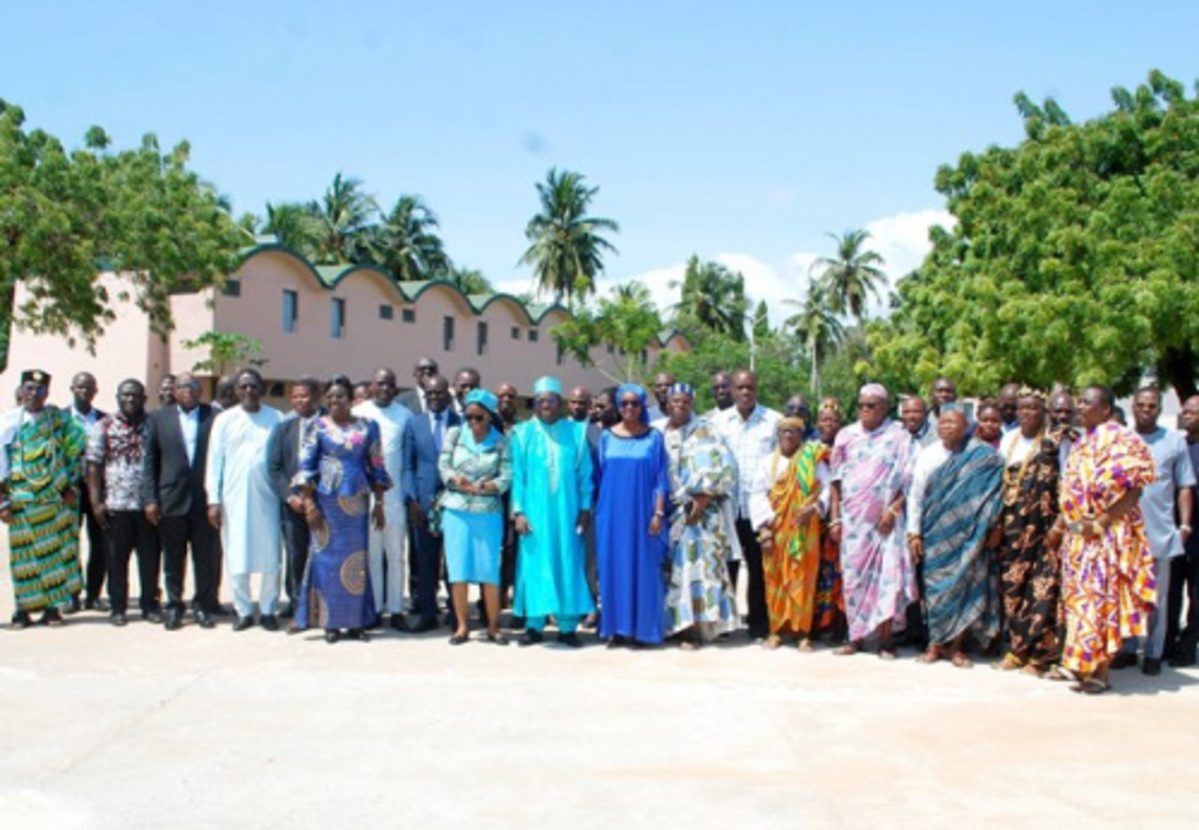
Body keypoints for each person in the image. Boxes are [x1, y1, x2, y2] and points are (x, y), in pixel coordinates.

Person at [1047, 385, 1156, 694]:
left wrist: (1103, 521)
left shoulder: (1122, 440)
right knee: (1080, 603)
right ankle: (1082, 664)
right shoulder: (1082, 442)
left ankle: (1102, 671)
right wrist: (1062, 526)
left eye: (1086, 402)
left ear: (1106, 409)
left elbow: (1135, 488)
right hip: (1080, 537)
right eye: (1079, 402)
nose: (1079, 407)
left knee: (1103, 601)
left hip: (1108, 535)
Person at [292, 376, 390, 644]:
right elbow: (306, 467)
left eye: (340, 396)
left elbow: (377, 466)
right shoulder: (317, 426)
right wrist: (309, 504)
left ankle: (356, 622)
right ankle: (331, 623)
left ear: (351, 400)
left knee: (356, 563)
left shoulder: (369, 426)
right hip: (326, 502)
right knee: (327, 562)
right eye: (330, 397)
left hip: (356, 503)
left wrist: (379, 504)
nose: (335, 401)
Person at [907, 408, 1004, 668]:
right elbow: (916, 496)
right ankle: (935, 644)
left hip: (970, 538)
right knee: (935, 591)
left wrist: (993, 528)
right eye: (942, 422)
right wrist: (913, 531)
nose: (946, 426)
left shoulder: (984, 457)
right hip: (935, 534)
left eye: (953, 422)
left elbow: (994, 496)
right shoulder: (928, 455)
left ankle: (957, 648)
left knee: (964, 588)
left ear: (966, 427)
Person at [828, 383, 915, 659]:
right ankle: (855, 638)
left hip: (886, 524)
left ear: (885, 408)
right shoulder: (846, 436)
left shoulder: (899, 437)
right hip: (854, 525)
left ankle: (886, 641)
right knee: (854, 581)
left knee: (887, 581)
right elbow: (835, 481)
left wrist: (893, 510)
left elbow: (909, 480)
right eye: (862, 405)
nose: (865, 410)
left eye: (872, 406)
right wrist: (834, 519)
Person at [510, 377, 595, 647]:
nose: (546, 405)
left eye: (552, 400)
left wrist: (584, 508)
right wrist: (519, 512)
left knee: (567, 564)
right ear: (535, 404)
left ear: (561, 404)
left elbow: (585, 475)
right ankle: (534, 625)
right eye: (541, 401)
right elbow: (517, 477)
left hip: (567, 514)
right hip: (534, 513)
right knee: (535, 565)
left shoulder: (576, 433)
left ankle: (567, 627)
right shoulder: (522, 434)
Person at [0, 370, 87, 627]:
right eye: (28, 388)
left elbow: (76, 449)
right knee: (24, 560)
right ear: (20, 390)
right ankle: (22, 610)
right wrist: (2, 502)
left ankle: (52, 609)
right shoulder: (8, 422)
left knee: (54, 559)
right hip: (22, 502)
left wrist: (69, 484)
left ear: (47, 393)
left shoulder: (59, 421)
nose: (33, 394)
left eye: (39, 390)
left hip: (54, 500)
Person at [1117, 387, 1194, 675]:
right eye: (1141, 405)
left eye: (1152, 406)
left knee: (1157, 598)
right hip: (1123, 533)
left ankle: (1153, 652)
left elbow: (1185, 486)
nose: (1146, 410)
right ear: (1133, 407)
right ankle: (1126, 648)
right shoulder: (1121, 441)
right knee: (1124, 592)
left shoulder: (1174, 443)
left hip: (1159, 532)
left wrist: (1184, 526)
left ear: (1159, 409)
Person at [993, 389, 1065, 675]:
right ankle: (1017, 650)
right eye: (1021, 408)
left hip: (1043, 527)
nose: (1026, 413)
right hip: (1013, 527)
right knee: (1013, 589)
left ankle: (1040, 656)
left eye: (1033, 408)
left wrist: (1059, 526)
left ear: (1043, 412)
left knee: (1041, 591)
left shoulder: (1056, 441)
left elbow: (1066, 484)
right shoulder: (1009, 440)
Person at [205, 369, 283, 631]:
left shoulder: (276, 418)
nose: (249, 391)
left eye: (254, 386)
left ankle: (269, 609)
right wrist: (213, 500)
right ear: (236, 391)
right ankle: (244, 610)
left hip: (268, 498)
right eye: (244, 387)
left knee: (271, 555)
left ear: (262, 389)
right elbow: (214, 462)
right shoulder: (225, 420)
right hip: (234, 498)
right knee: (236, 554)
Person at [661, 384, 738, 648]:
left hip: (703, 516)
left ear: (692, 403)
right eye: (675, 401)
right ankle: (673, 626)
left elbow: (727, 469)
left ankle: (695, 629)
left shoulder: (708, 430)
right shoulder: (659, 431)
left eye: (685, 401)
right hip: (668, 513)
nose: (679, 405)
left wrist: (704, 498)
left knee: (699, 573)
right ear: (667, 403)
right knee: (671, 572)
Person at [142, 372, 220, 630]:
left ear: (200, 391)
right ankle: (174, 606)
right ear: (174, 392)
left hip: (203, 500)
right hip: (170, 499)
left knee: (204, 558)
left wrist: (216, 499)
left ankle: (202, 605)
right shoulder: (158, 418)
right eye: (183, 386)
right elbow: (150, 461)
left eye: (193, 386)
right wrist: (150, 499)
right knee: (173, 558)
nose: (188, 390)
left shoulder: (214, 416)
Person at [596, 383, 670, 647]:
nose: (629, 408)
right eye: (624, 403)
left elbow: (661, 480)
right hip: (612, 515)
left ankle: (642, 630)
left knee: (644, 569)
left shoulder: (653, 438)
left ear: (642, 406)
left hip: (644, 514)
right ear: (618, 406)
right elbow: (600, 477)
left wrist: (658, 513)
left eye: (635, 403)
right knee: (613, 568)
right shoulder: (606, 438)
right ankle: (615, 629)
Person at [439, 389, 512, 645]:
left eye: (478, 417)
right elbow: (444, 465)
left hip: (488, 514)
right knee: (457, 570)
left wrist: (484, 487)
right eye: (468, 417)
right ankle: (461, 626)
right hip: (456, 512)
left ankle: (493, 626)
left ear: (489, 417)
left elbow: (506, 477)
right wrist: (453, 478)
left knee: (489, 570)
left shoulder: (501, 441)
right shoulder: (455, 434)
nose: (472, 423)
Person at [750, 416, 830, 651]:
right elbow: (757, 495)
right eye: (784, 431)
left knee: (804, 579)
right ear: (778, 434)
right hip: (776, 532)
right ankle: (777, 630)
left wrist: (815, 508)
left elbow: (827, 489)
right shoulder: (767, 463)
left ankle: (802, 632)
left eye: (793, 431)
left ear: (801, 435)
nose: (788, 435)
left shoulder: (813, 461)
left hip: (805, 532)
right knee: (774, 580)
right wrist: (764, 529)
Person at [85, 379, 161, 626]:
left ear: (144, 398)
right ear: (118, 397)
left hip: (148, 507)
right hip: (116, 506)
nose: (130, 399)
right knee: (116, 560)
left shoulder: (155, 425)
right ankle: (118, 607)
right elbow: (94, 467)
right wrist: (96, 502)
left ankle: (149, 605)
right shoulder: (103, 426)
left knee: (149, 560)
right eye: (126, 395)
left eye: (136, 395)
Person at [713, 369, 781, 640]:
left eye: (749, 387)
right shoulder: (719, 423)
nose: (745, 392)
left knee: (759, 566)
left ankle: (758, 623)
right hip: (727, 506)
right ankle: (725, 623)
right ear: (731, 390)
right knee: (724, 566)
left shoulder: (772, 421)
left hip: (759, 508)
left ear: (756, 389)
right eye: (740, 388)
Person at [353, 368, 414, 631]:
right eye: (380, 384)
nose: (385, 388)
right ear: (372, 386)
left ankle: (397, 609)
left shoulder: (405, 415)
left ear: (396, 388)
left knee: (397, 556)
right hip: (367, 498)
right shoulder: (359, 414)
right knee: (373, 557)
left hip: (396, 498)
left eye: (390, 384)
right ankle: (376, 609)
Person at [404, 374, 461, 631]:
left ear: (448, 396)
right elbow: (408, 466)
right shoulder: (413, 424)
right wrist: (411, 499)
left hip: (455, 502)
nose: (434, 397)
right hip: (423, 504)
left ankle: (455, 613)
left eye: (439, 393)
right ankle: (427, 613)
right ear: (424, 396)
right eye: (430, 394)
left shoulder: (461, 423)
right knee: (426, 562)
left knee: (453, 561)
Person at [267, 377, 323, 618]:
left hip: (323, 504)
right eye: (296, 397)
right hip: (293, 505)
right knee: (295, 553)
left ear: (316, 397)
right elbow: (274, 467)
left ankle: (321, 603)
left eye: (305, 396)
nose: (300, 401)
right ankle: (297, 602)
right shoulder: (284, 428)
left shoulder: (329, 425)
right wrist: (290, 497)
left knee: (323, 552)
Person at [69, 371, 107, 611]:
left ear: (95, 391)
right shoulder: (60, 419)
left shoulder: (104, 420)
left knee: (100, 543)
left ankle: (93, 595)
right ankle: (72, 595)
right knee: (70, 544)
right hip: (68, 492)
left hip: (97, 491)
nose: (84, 391)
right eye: (80, 387)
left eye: (89, 387)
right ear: (72, 389)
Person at [1167, 394, 1199, 666]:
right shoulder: (1176, 445)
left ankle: (1187, 648)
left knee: (1197, 595)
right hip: (1176, 528)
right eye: (1185, 411)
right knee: (1171, 590)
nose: (1186, 415)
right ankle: (1167, 643)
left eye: (1193, 412)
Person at [813, 398, 846, 639]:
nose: (829, 424)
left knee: (839, 571)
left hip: (843, 516)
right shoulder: (810, 449)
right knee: (817, 571)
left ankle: (838, 624)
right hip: (816, 517)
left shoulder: (848, 445)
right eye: (824, 420)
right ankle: (816, 621)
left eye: (833, 420)